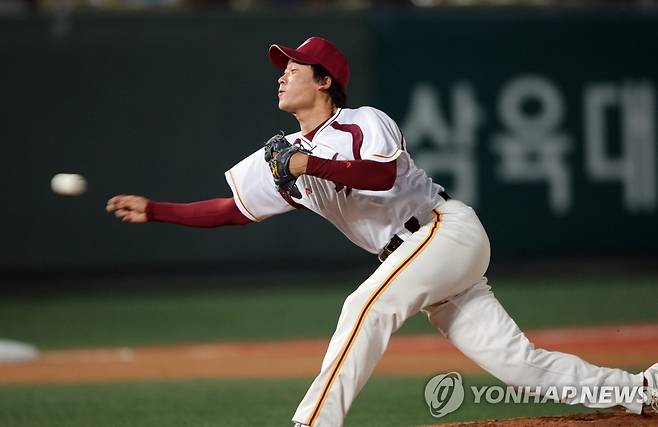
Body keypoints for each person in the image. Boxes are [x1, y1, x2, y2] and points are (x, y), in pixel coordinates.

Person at [106, 36, 658, 427]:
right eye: (283, 68)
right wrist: (157, 210)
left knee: (364, 307)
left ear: (325, 81)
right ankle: (642, 391)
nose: (282, 75)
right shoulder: (285, 154)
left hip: (443, 231)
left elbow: (381, 175)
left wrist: (308, 165)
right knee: (520, 365)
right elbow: (233, 210)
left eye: (294, 68)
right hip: (423, 264)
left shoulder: (361, 121)